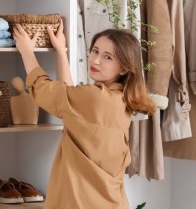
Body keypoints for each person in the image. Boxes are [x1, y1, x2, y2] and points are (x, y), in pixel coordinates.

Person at [12, 21, 155, 209]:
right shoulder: (121, 100)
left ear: (123, 68)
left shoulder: (95, 98)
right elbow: (71, 99)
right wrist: (61, 53)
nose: (95, 60)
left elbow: (42, 89)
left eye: (107, 57)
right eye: (95, 51)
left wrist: (26, 51)